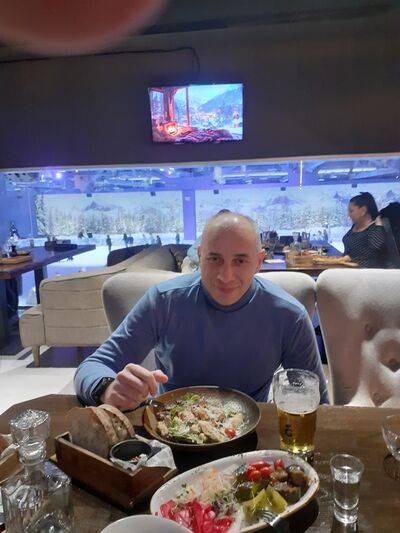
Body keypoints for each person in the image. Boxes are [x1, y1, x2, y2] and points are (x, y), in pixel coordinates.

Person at [74, 212, 329, 408]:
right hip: (171, 429)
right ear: (199, 256)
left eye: (240, 260)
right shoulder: (164, 302)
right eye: (214, 259)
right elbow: (94, 365)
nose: (225, 276)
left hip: (253, 434)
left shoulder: (289, 316)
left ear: (259, 262)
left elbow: (316, 401)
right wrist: (107, 389)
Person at [342, 192, 387, 268]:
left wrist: (379, 225)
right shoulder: (354, 226)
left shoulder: (375, 227)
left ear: (363, 211)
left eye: (351, 211)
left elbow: (377, 245)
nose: (348, 215)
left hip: (367, 272)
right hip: (348, 269)